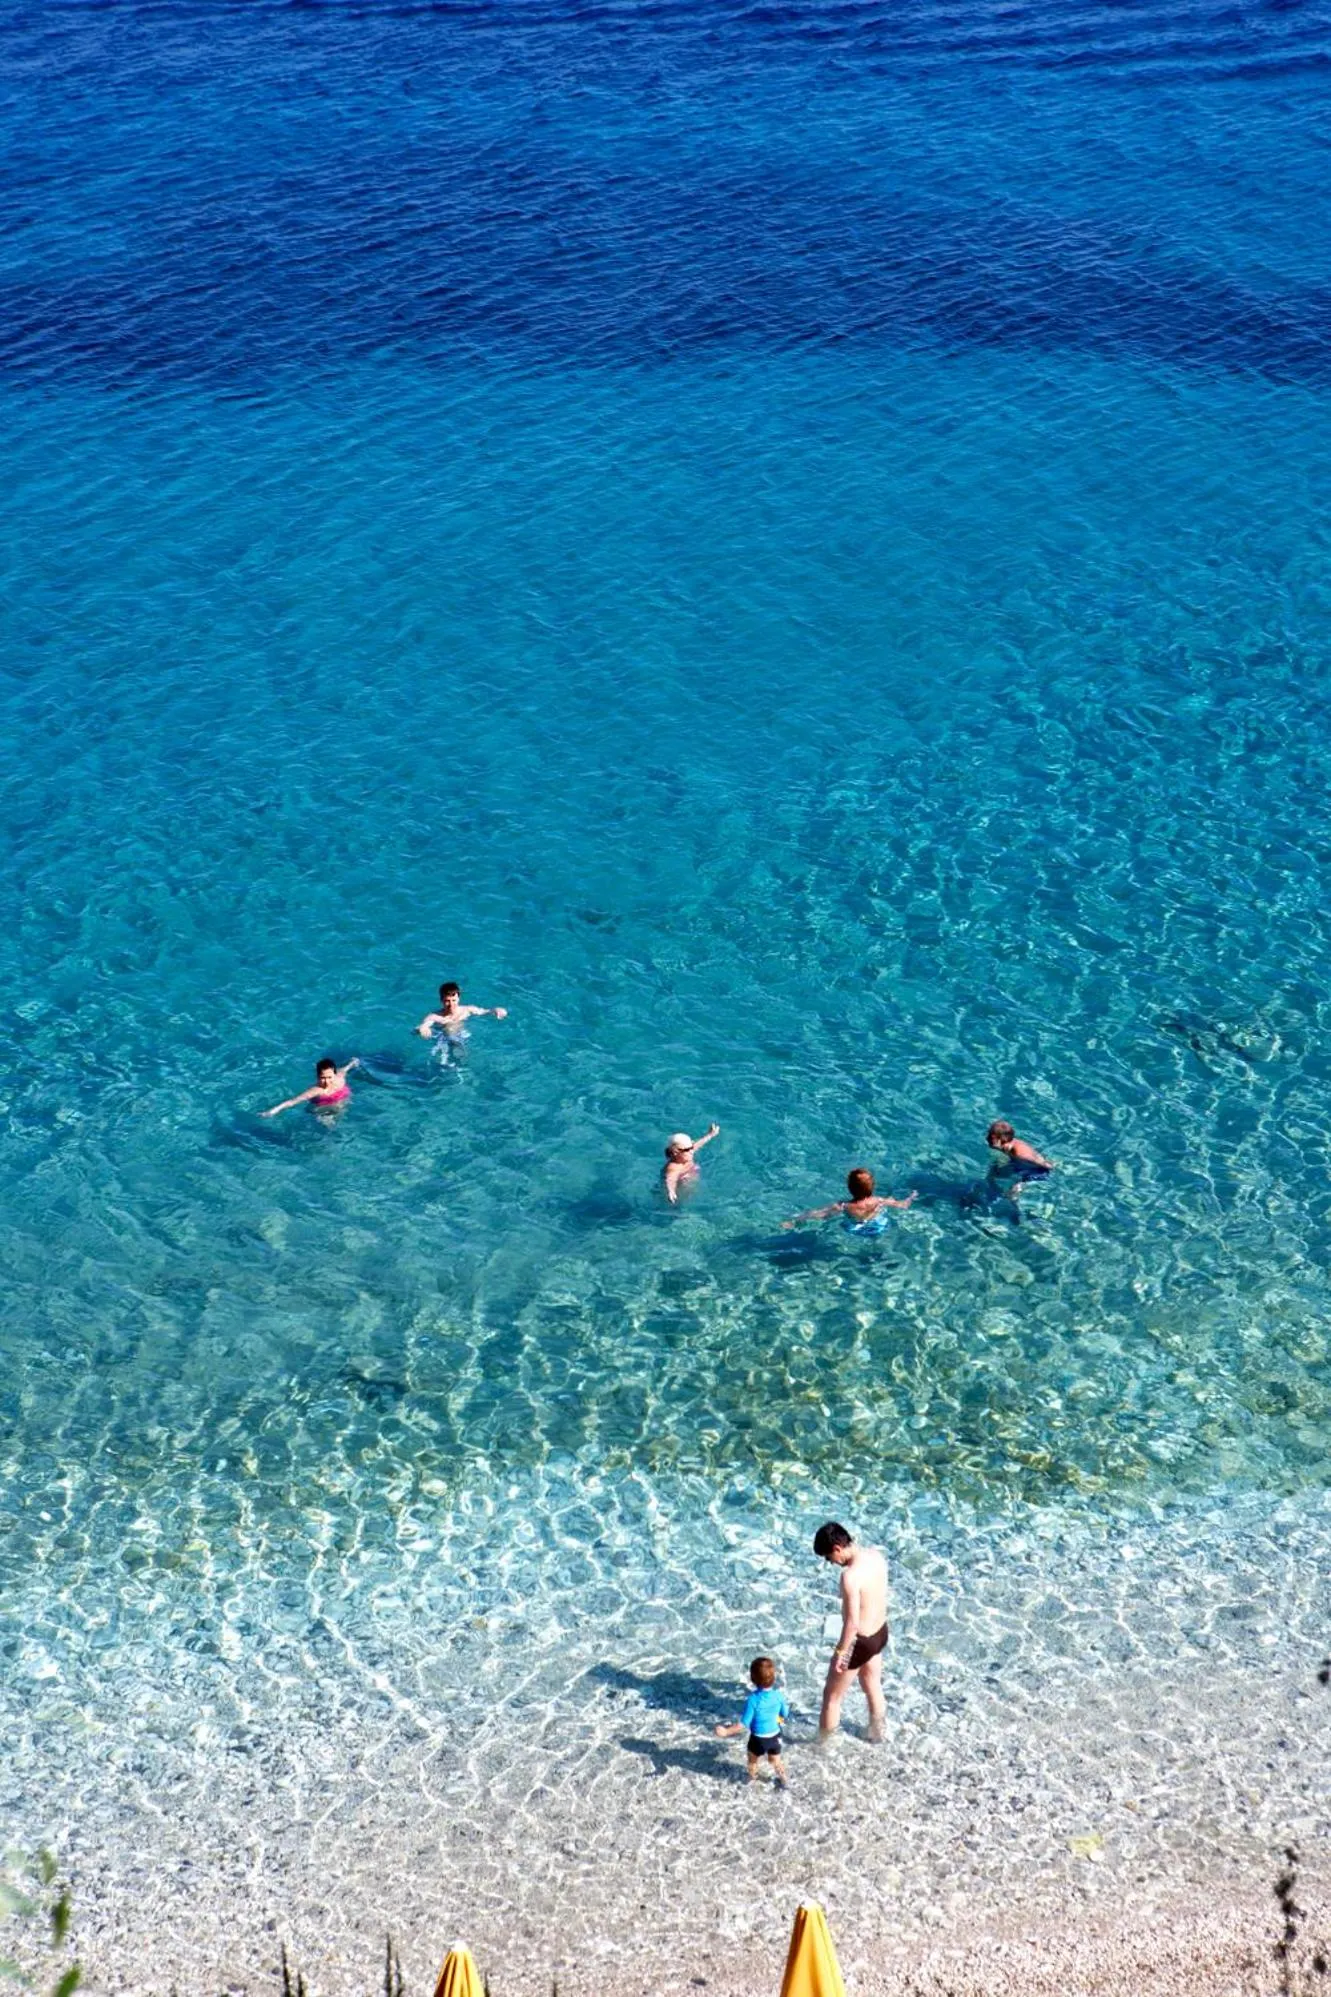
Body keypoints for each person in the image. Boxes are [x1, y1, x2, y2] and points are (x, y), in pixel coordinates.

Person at [812, 1521, 889, 1742]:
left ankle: (824, 1747)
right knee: (872, 1684)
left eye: (829, 1558)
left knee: (831, 1697)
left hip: (860, 1642)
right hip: (880, 1633)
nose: (831, 1563)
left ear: (837, 1548)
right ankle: (878, 1733)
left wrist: (840, 1652)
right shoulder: (875, 1555)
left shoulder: (850, 1576)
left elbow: (852, 1624)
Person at [714, 1656, 790, 1786]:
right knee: (775, 1761)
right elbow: (784, 1714)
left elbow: (743, 1724)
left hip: (758, 1740)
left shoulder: (753, 1700)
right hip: (775, 1736)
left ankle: (752, 1778)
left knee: (753, 1761)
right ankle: (784, 1779)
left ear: (752, 1679)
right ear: (774, 1677)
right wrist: (776, 1719)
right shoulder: (779, 1696)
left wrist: (726, 1732)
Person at [784, 1168, 916, 1235]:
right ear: (873, 1186)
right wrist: (911, 1197)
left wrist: (795, 1220)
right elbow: (903, 1206)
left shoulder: (844, 1205)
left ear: (849, 1187)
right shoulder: (879, 1201)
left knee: (835, 1219)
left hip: (853, 1230)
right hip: (878, 1227)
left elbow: (820, 1214)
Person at [416, 981, 508, 1059]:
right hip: (443, 1040)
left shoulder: (467, 1010)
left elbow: (484, 1011)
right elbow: (423, 1025)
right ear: (441, 1000)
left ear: (458, 999)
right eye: (447, 1001)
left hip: (463, 1036)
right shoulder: (435, 1016)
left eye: (453, 1000)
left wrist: (495, 1010)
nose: (451, 1004)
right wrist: (422, 1027)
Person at [263, 1057, 359, 1117]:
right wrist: (273, 1111)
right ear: (317, 1077)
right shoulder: (316, 1090)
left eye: (329, 1077)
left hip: (341, 1101)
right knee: (328, 1126)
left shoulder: (340, 1076)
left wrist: (353, 1062)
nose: (326, 1081)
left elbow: (346, 1068)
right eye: (322, 1078)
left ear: (334, 1074)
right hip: (321, 1107)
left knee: (339, 1113)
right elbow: (293, 1101)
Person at [986, 1120, 1053, 1195]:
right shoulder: (1007, 1144)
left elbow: (1046, 1165)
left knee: (1012, 1192)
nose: (987, 1138)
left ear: (1001, 1139)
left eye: (991, 1137)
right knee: (993, 1173)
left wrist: (1051, 1166)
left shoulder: (1021, 1154)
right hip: (1019, 1165)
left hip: (1036, 1173)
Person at [662, 1123, 720, 1203]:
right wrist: (671, 1191)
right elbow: (670, 1179)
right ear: (676, 1152)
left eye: (692, 1147)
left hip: (691, 1182)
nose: (692, 1151)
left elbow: (698, 1144)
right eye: (688, 1150)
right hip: (680, 1191)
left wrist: (710, 1135)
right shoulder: (674, 1167)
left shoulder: (686, 1154)